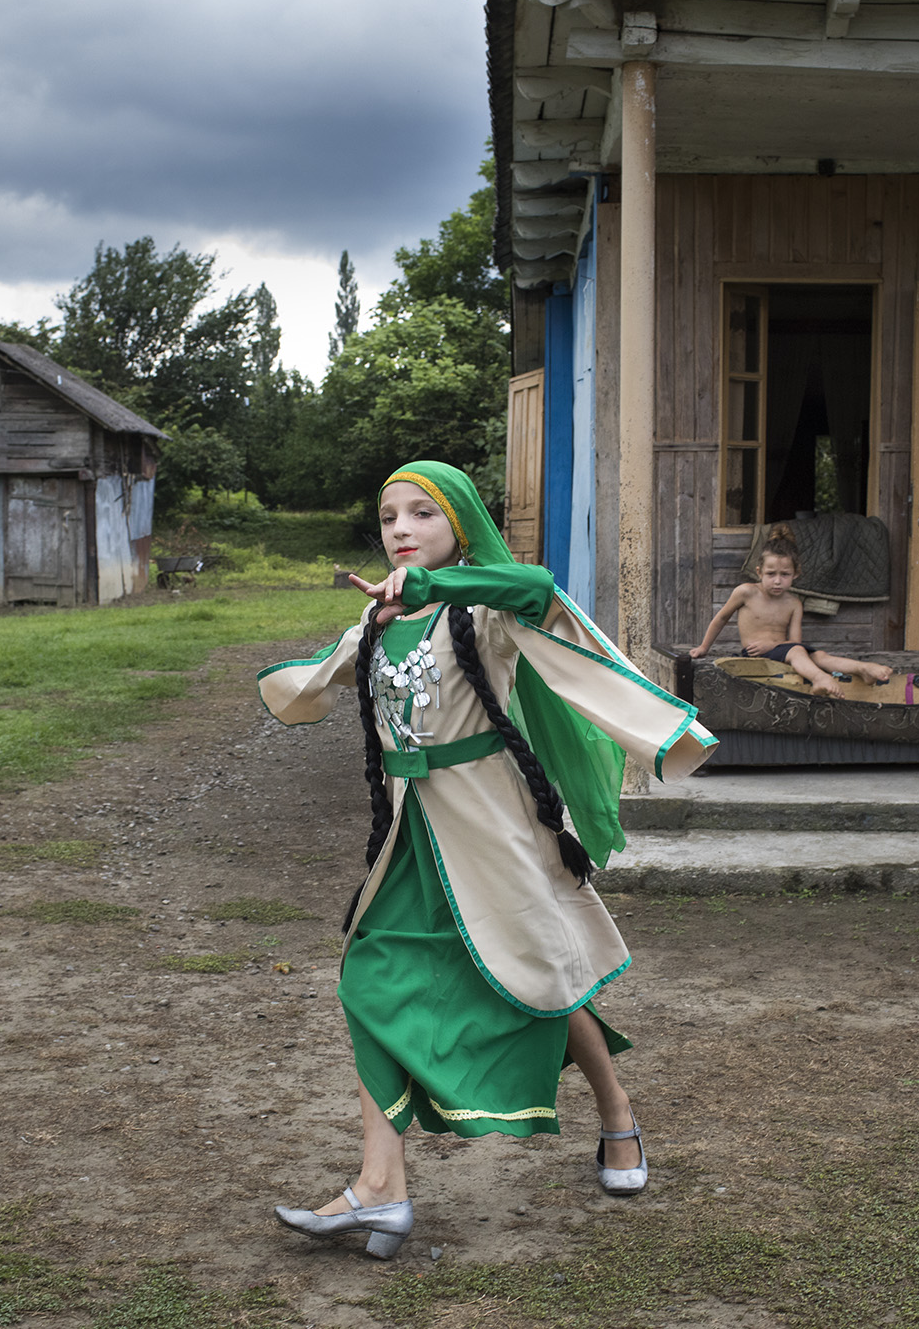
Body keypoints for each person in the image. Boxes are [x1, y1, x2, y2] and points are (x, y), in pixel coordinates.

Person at [258, 461, 715, 1260]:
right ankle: (380, 1186)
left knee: (542, 981)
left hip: (495, 834)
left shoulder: (483, 610)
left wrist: (437, 587)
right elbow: (322, 680)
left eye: (422, 513)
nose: (401, 529)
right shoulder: (378, 617)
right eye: (389, 516)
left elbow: (537, 587)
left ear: (460, 525)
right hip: (412, 841)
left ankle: (617, 1113)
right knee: (367, 980)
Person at [688, 535, 893, 696]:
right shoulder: (746, 592)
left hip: (783, 651)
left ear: (796, 574)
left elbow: (795, 642)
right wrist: (704, 647)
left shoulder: (793, 604)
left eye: (785, 575)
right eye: (771, 574)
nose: (777, 581)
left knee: (820, 656)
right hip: (755, 654)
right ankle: (820, 678)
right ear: (759, 572)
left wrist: (772, 645)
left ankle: (863, 668)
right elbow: (721, 618)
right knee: (798, 652)